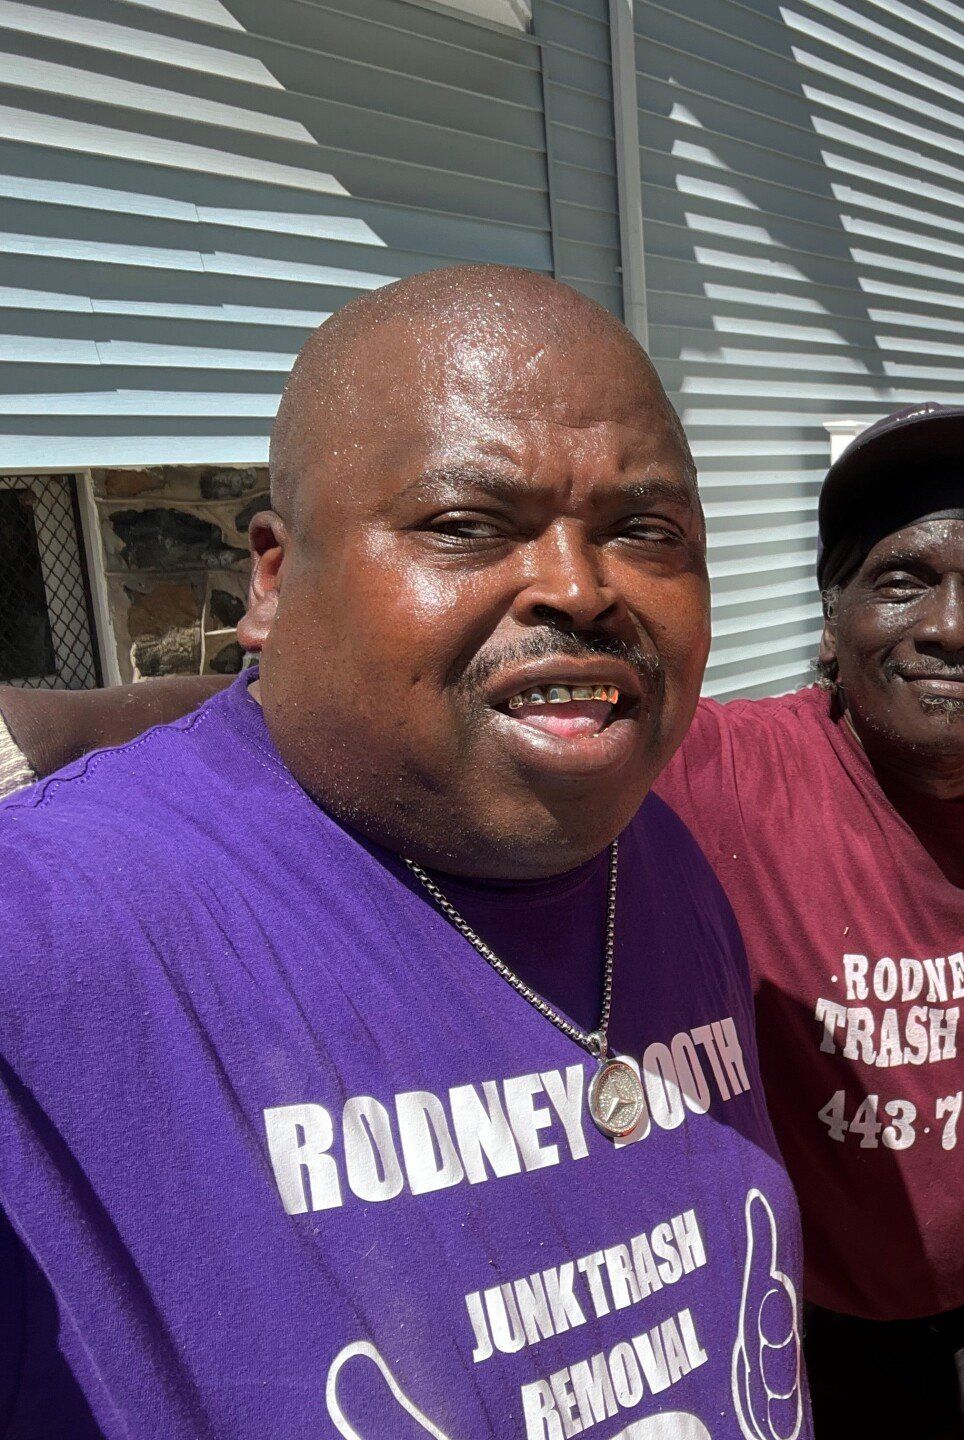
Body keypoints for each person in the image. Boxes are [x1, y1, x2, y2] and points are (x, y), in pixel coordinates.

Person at [0, 268, 809, 1440]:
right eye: (467, 524)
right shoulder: (63, 939)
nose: (581, 588)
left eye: (645, 531)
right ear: (273, 579)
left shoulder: (654, 850)